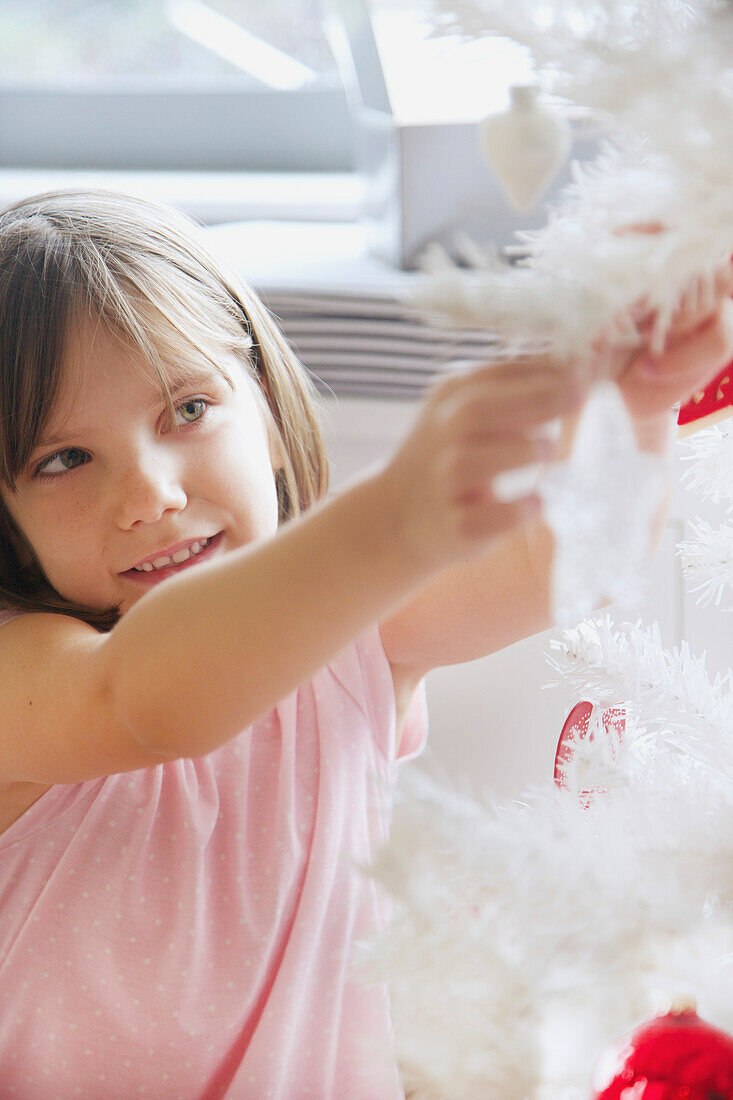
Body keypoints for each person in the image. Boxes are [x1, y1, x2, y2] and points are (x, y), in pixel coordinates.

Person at [0, 190, 729, 1100]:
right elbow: (144, 704)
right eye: (64, 460)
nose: (149, 495)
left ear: (266, 410)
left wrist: (635, 395)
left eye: (187, 410)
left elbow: (567, 558)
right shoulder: (26, 677)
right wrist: (390, 520)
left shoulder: (352, 631)